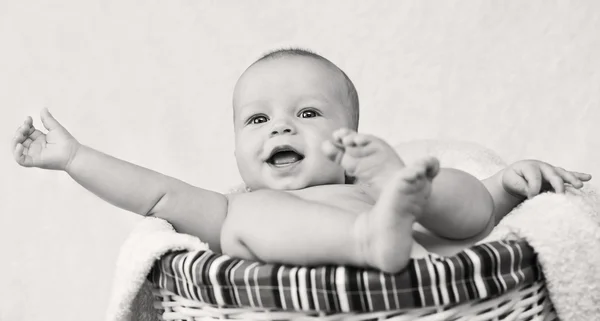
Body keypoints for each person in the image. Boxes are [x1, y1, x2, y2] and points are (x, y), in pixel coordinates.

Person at [11, 48, 592, 273]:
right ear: (236, 148)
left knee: (455, 194)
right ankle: (370, 241)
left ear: (352, 137)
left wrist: (507, 185)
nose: (282, 126)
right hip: (376, 239)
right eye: (257, 120)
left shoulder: (370, 185)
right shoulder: (232, 210)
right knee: (250, 223)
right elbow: (154, 192)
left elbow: (474, 222)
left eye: (309, 114)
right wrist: (74, 157)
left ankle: (414, 212)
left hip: (405, 236)